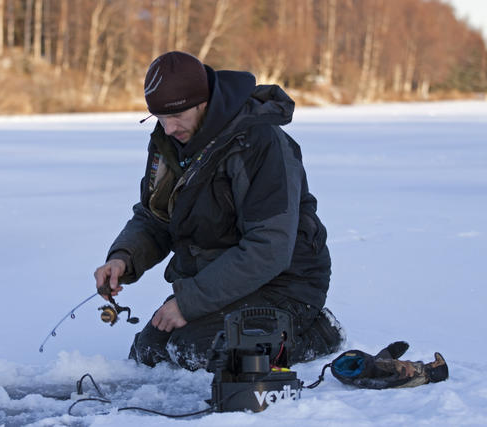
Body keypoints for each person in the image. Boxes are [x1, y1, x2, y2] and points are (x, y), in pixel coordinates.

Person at [94, 51, 345, 370]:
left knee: (196, 351)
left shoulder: (259, 143)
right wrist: (123, 257)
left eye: (177, 116)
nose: (168, 128)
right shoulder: (170, 142)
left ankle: (318, 334)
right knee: (149, 353)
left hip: (286, 284)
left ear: (204, 102)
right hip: (221, 282)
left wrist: (187, 302)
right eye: (159, 118)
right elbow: (155, 216)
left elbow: (269, 248)